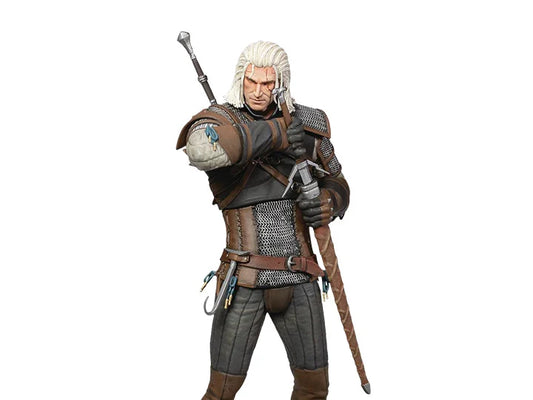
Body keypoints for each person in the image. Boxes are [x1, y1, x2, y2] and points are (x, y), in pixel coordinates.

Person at [177, 41, 350, 400]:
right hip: (243, 277)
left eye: (267, 83)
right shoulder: (221, 122)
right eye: (251, 81)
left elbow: (336, 178)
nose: (258, 91)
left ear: (281, 83)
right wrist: (278, 133)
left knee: (314, 388)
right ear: (241, 79)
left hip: (300, 274)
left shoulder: (309, 124)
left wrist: (328, 201)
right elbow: (202, 151)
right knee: (221, 391)